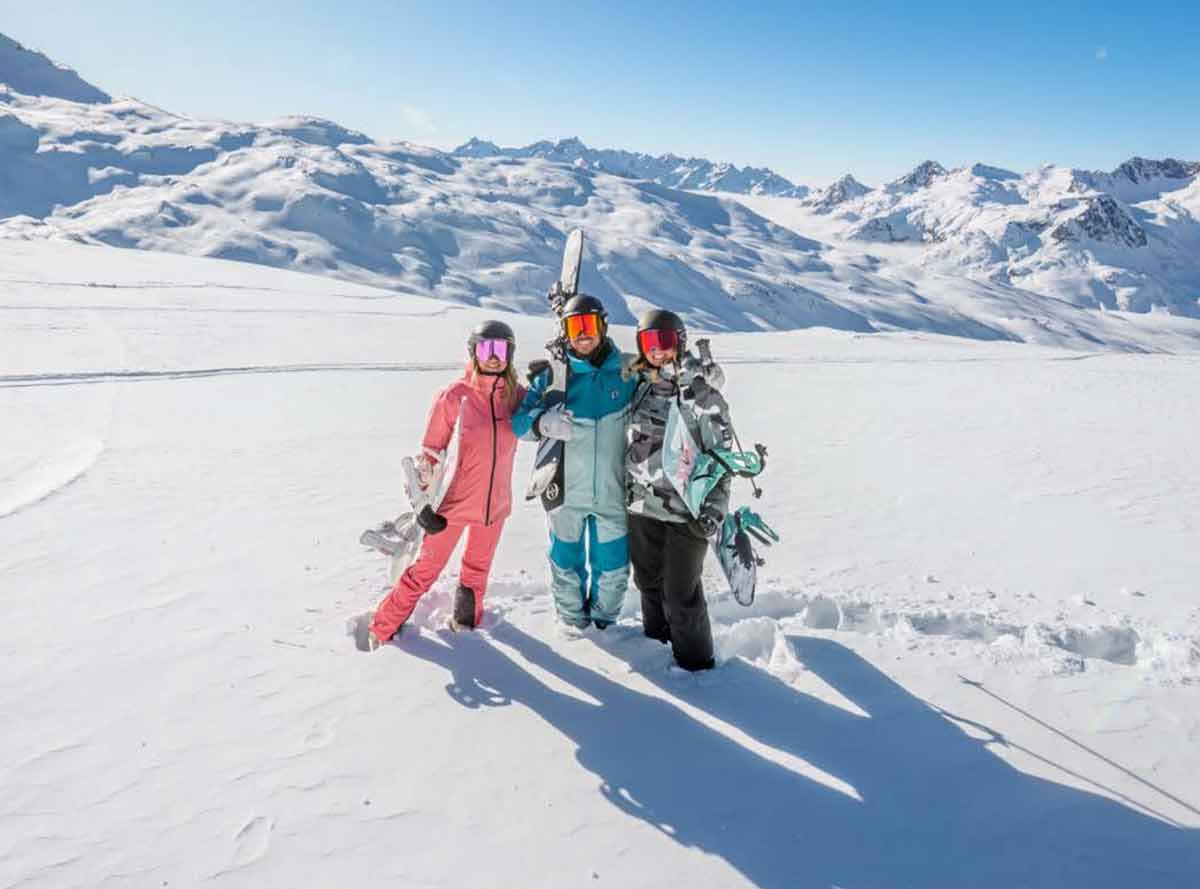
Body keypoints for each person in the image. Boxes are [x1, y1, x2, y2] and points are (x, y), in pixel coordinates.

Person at [366, 320, 525, 649]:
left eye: (500, 349)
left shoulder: (516, 397)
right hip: (451, 507)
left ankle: (467, 628)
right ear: (473, 352)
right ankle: (381, 629)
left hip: (494, 506)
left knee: (477, 571)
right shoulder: (455, 396)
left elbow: (543, 414)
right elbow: (429, 455)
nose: (493, 357)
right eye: (485, 348)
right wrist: (423, 506)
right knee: (425, 570)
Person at [513, 295, 638, 630]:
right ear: (564, 332)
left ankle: (605, 625)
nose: (583, 334)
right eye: (574, 326)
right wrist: (542, 422)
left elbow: (666, 383)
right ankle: (572, 626)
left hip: (613, 490)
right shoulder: (553, 378)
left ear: (603, 326)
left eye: (589, 325)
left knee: (613, 566)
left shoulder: (628, 370)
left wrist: (701, 382)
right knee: (565, 563)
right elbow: (518, 424)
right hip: (565, 491)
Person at [624, 309, 732, 671]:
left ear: (680, 343)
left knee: (681, 593)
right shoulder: (639, 387)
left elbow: (721, 456)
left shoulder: (700, 395)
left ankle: (696, 666)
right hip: (643, 504)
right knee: (648, 582)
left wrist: (714, 508)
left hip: (688, 509)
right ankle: (656, 648)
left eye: (665, 341)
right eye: (649, 342)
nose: (657, 350)